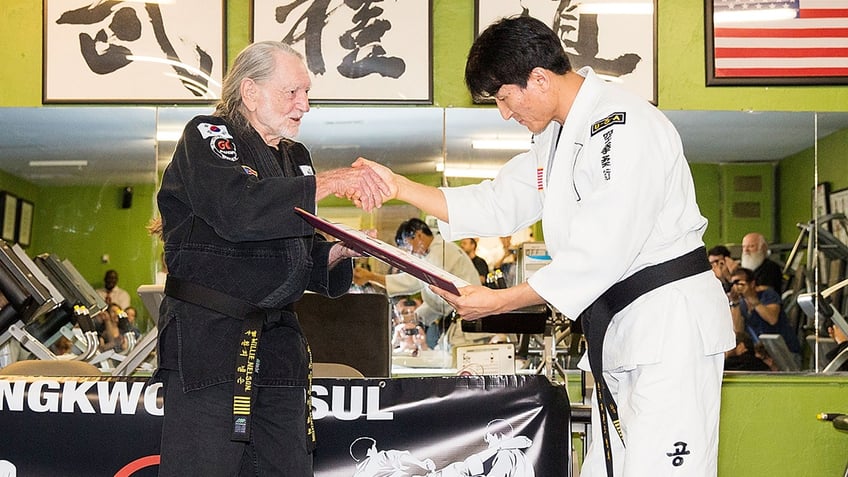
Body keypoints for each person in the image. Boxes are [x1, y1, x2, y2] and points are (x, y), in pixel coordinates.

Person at [353, 16, 734, 477]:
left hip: (669, 327)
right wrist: (399, 186)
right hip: (624, 332)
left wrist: (498, 301)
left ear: (538, 79)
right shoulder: (558, 138)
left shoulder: (625, 126)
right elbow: (497, 201)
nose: (505, 114)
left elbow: (600, 253)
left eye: (504, 98)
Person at [154, 41, 389, 476]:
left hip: (279, 344)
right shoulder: (208, 136)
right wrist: (334, 181)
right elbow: (240, 210)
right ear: (250, 92)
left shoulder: (294, 157)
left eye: (307, 93)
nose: (304, 104)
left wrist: (338, 251)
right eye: (292, 92)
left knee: (287, 467)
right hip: (212, 341)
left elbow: (293, 253)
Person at [352, 218, 490, 349]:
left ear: (418, 235)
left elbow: (415, 281)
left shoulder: (443, 249)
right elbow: (436, 304)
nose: (411, 252)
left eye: (408, 246)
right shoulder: (432, 254)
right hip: (459, 321)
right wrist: (414, 318)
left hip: (468, 322)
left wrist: (371, 276)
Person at [728, 267, 801, 362]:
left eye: (739, 283)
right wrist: (735, 303)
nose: (736, 287)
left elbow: (772, 319)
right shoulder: (741, 303)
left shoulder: (767, 295)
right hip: (762, 354)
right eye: (733, 283)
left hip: (786, 350)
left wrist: (751, 297)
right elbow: (738, 330)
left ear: (752, 283)